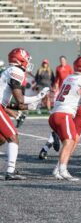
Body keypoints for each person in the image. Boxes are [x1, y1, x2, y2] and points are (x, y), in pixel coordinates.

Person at [0, 48, 49, 180]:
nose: (28, 62)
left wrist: (30, 105)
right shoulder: (16, 71)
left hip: (1, 106)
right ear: (20, 59)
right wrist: (39, 96)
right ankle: (10, 172)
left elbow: (15, 104)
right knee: (13, 137)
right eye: (26, 59)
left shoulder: (9, 71)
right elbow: (20, 99)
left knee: (2, 139)